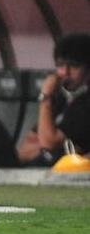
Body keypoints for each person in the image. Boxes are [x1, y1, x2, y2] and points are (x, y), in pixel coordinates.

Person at [17, 33, 90, 165]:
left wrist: (46, 96)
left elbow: (49, 142)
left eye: (74, 66)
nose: (65, 73)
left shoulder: (85, 102)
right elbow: (25, 150)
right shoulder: (60, 98)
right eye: (60, 66)